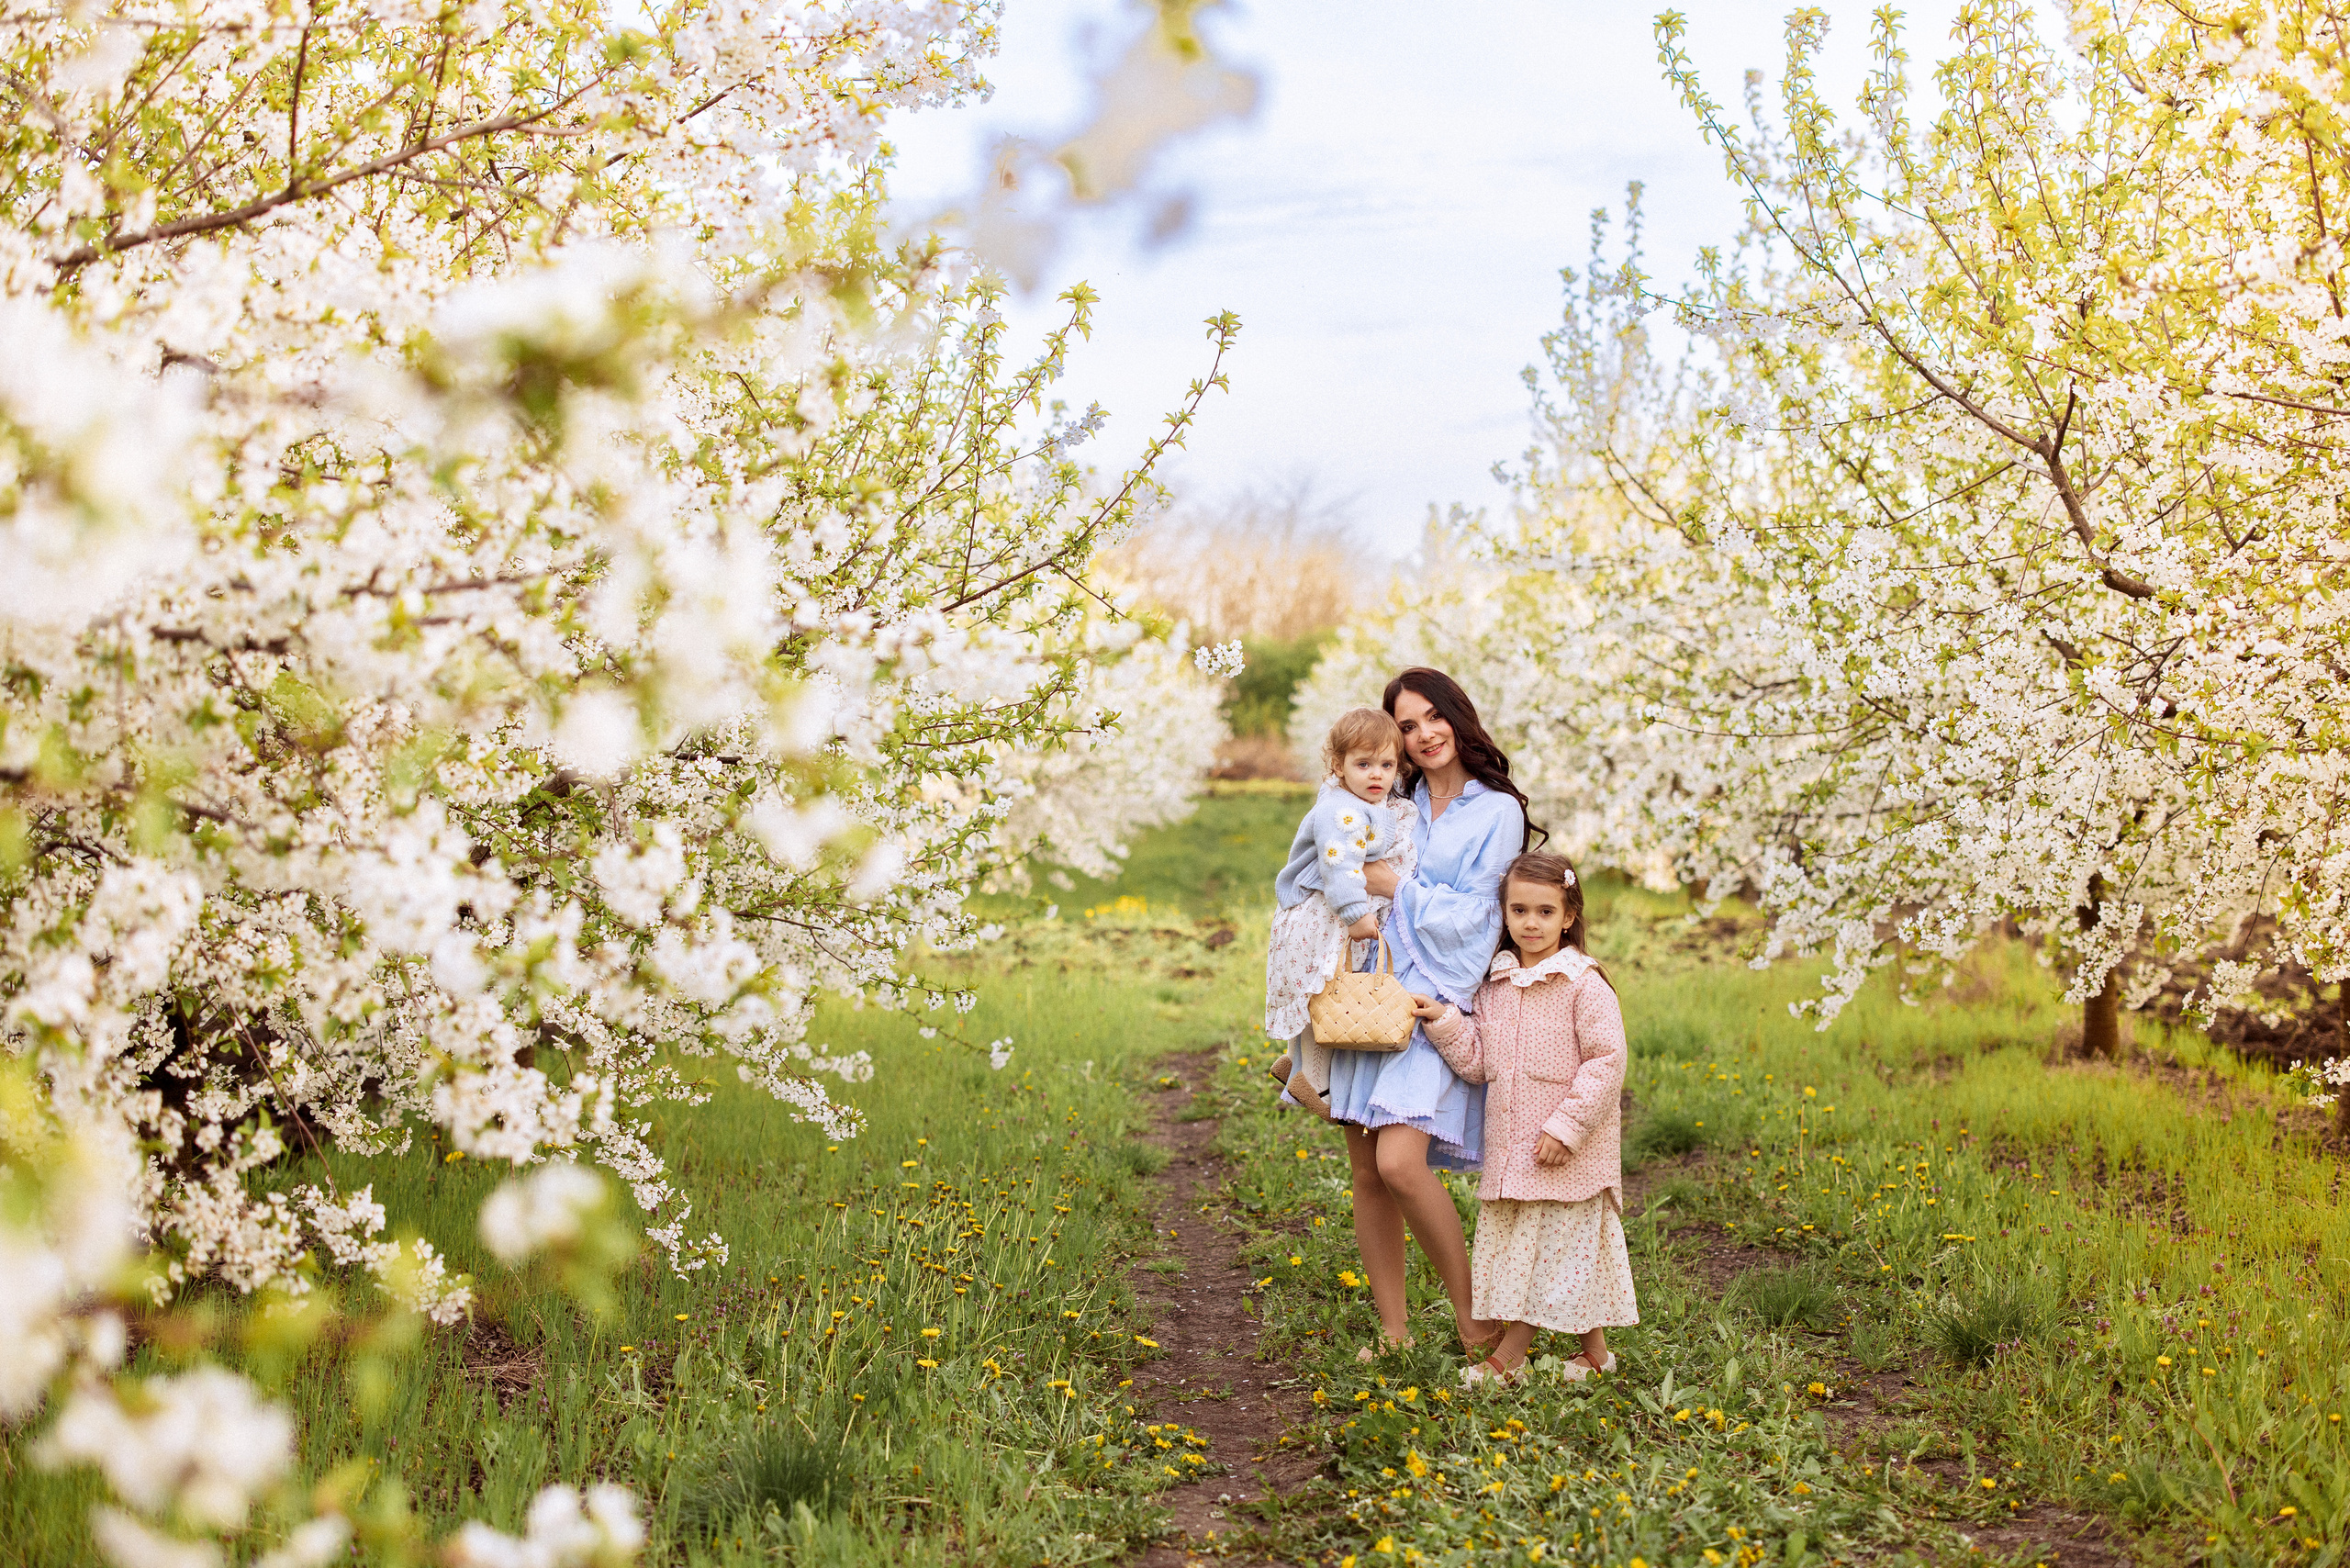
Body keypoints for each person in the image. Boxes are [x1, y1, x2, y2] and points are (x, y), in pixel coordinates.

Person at [1324, 667, 1542, 1361]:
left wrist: (1401, 885)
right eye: (1407, 726)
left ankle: (1475, 1318)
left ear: (1456, 714)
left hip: (1432, 1000)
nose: (1422, 735)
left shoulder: (1496, 811)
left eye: (1430, 717)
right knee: (1365, 1171)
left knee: (1399, 1162)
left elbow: (1483, 919)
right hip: (1368, 990)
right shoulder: (1393, 800)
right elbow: (1335, 873)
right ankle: (1394, 1333)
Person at [1410, 850, 1639, 1386]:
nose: (1530, 924)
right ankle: (1597, 1356)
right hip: (1515, 1148)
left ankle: (1509, 1358)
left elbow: (1608, 1061)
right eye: (1518, 911)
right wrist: (1444, 1020)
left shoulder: (1583, 982)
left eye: (1544, 912)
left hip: (1566, 1149)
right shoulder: (1496, 985)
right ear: (1505, 914)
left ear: (1568, 917)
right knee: (1563, 1250)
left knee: (1551, 1250)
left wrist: (1568, 1127)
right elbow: (1478, 1063)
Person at [1263, 708, 1420, 1118]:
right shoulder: (1343, 811)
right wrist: (1355, 914)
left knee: (1314, 988)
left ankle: (1295, 1063)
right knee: (1324, 990)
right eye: (1363, 764)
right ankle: (1314, 1081)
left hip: (1313, 907)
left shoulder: (1354, 800)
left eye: (1387, 765)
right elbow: (1339, 864)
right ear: (1339, 766)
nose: (1377, 775)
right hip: (1324, 910)